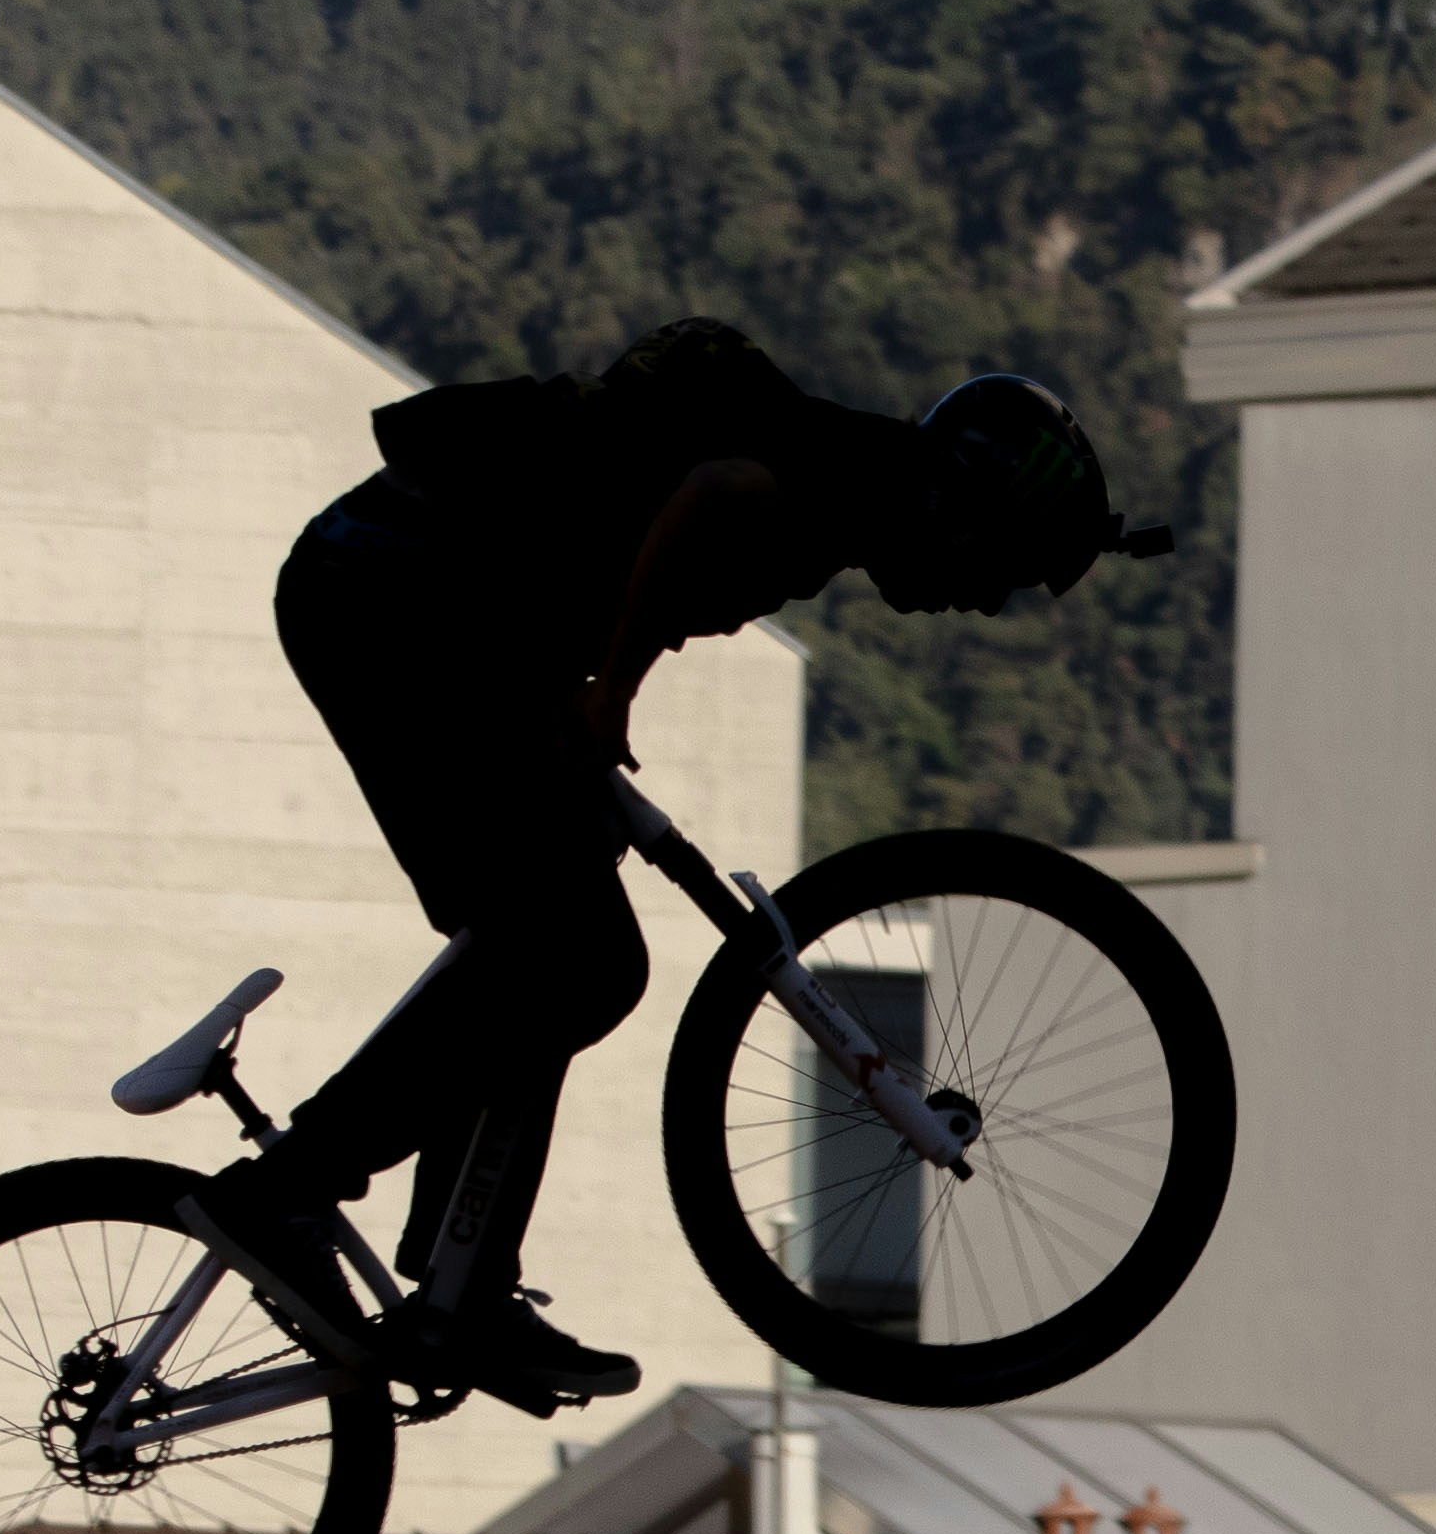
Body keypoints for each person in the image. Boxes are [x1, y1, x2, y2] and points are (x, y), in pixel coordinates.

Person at [178, 316, 1139, 1415]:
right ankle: (287, 1196)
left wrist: (579, 694)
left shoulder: (845, 492)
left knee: (550, 953)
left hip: (440, 615)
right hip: (392, 600)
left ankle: (459, 1286)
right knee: (575, 958)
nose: (983, 601)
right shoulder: (848, 480)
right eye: (1000, 569)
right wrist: (608, 693)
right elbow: (715, 495)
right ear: (963, 503)